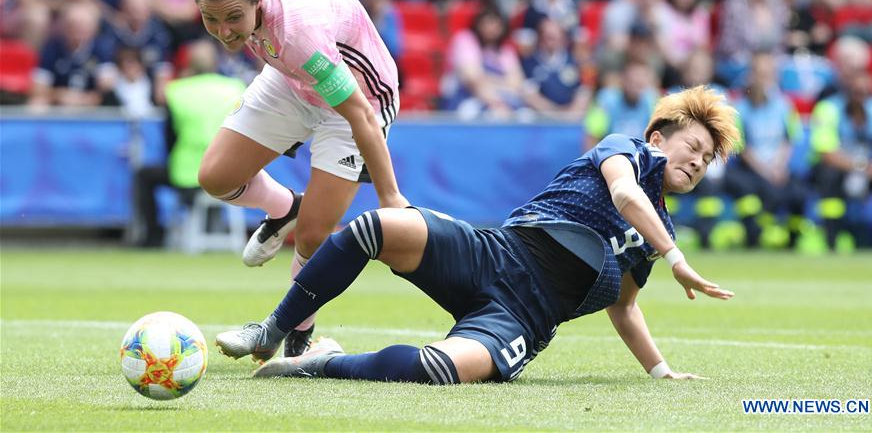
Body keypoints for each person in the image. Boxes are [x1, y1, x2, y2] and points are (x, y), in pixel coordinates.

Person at [216, 86, 740, 385]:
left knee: (439, 369)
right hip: (495, 254)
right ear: (657, 138)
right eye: (692, 146)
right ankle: (272, 329)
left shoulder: (656, 232)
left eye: (707, 159)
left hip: (526, 318)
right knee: (375, 226)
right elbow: (624, 195)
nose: (698, 161)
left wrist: (661, 371)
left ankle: (319, 362)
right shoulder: (625, 149)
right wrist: (676, 257)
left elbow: (624, 307)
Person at [192, 0, 408, 358]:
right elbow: (245, 23)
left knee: (312, 237)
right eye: (210, 19)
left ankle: (297, 336)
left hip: (357, 97)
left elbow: (361, 115)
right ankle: (284, 207)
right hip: (291, 80)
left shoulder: (297, 33)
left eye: (233, 18)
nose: (224, 31)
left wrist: (391, 199)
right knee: (216, 177)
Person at [133, 40, 246, 246]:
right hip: (230, 174)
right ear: (216, 63)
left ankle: (153, 238)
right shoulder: (236, 88)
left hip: (186, 174)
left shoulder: (176, 91)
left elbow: (170, 137)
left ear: (189, 65)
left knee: (143, 175)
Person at [809, 66, 872, 249]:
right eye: (856, 92)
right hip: (841, 169)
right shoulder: (828, 109)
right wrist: (861, 167)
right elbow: (827, 153)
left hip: (871, 170)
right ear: (846, 90)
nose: (860, 97)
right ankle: (832, 240)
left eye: (864, 92)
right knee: (828, 175)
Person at [726, 52, 807, 248]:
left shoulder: (784, 106)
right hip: (752, 169)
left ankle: (792, 239)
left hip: (778, 167)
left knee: (799, 194)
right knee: (760, 191)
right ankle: (755, 236)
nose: (764, 81)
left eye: (768, 75)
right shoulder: (739, 108)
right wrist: (766, 171)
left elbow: (790, 139)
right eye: (760, 74)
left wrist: (779, 166)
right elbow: (742, 147)